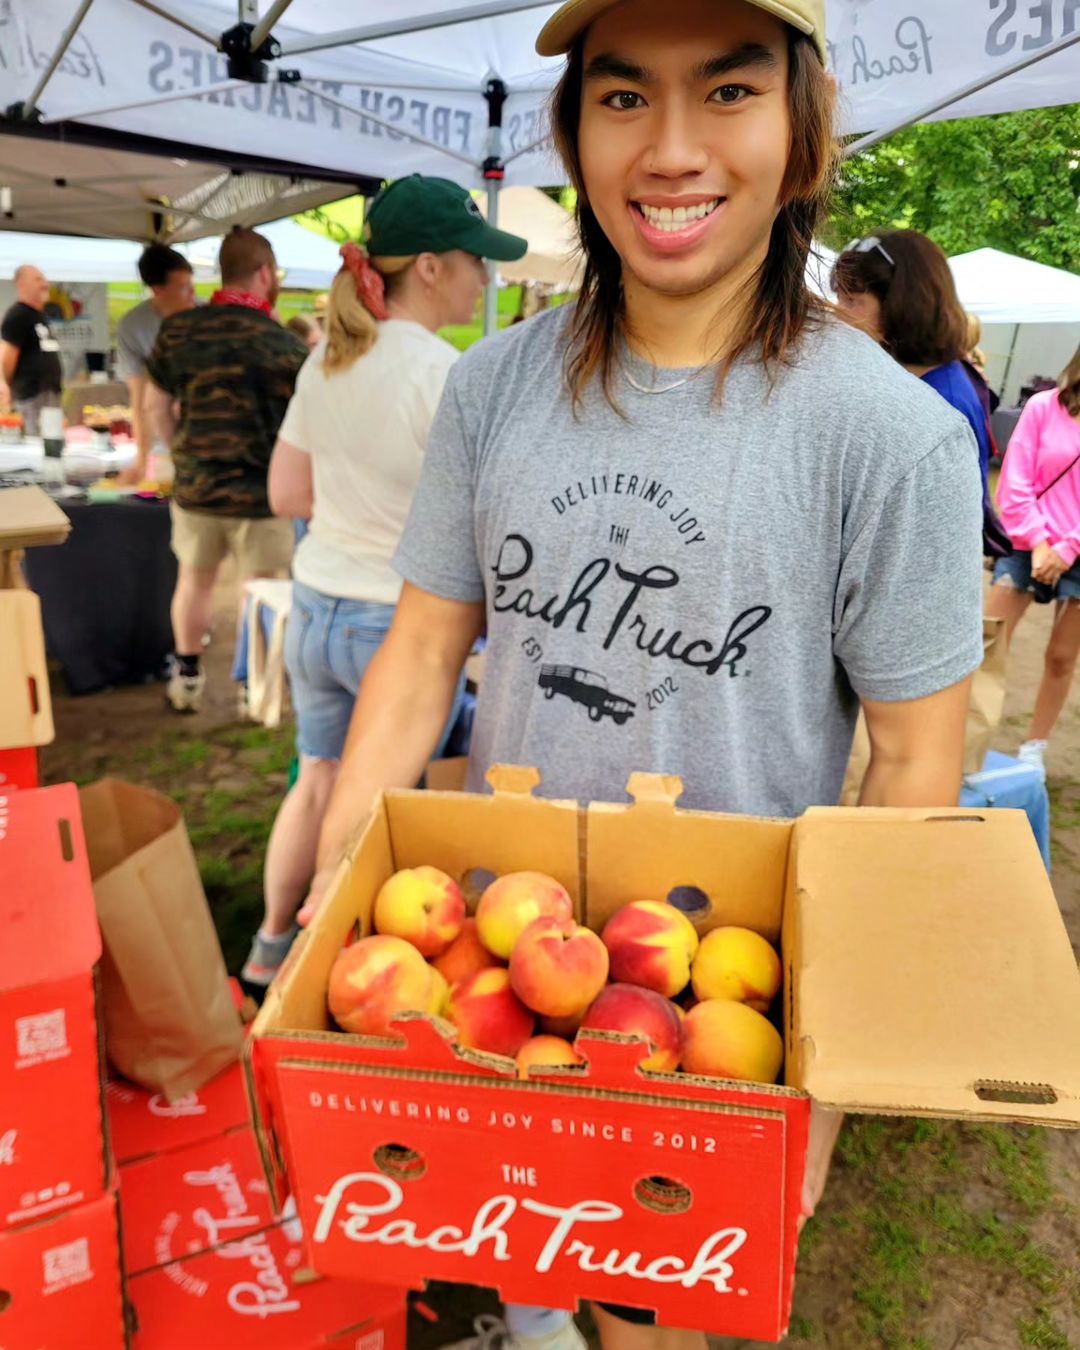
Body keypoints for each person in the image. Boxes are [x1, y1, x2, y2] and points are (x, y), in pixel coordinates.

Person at [308, 3, 983, 1349]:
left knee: (660, 1321)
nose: (671, 149)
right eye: (623, 100)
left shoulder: (890, 434)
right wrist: (341, 907)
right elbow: (427, 645)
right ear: (574, 135)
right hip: (488, 966)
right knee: (511, 1251)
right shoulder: (492, 388)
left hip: (716, 1009)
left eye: (727, 93)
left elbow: (914, 759)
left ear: (801, 136)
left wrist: (823, 1083)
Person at [243, 177, 527, 986]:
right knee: (393, 820)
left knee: (316, 779)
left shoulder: (329, 362)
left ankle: (271, 952)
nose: (485, 279)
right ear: (431, 268)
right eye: (476, 262)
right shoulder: (445, 373)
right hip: (395, 629)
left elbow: (286, 496)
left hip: (316, 611)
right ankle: (355, 971)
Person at [146, 227, 307, 714]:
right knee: (256, 589)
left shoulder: (179, 330)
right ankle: (248, 687)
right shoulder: (282, 343)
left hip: (196, 488)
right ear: (264, 274)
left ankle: (187, 677)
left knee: (193, 582)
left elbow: (156, 406)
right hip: (261, 495)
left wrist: (180, 453)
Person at [832, 230, 996, 539]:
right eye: (838, 297)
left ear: (903, 305)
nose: (837, 315)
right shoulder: (915, 380)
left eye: (852, 301)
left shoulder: (943, 402)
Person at [986, 349, 1080, 774]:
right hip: (1029, 540)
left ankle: (1033, 751)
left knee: (1062, 656)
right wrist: (1041, 543)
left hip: (1077, 550)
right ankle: (963, 727)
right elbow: (1015, 478)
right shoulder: (1045, 406)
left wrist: (1067, 549)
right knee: (987, 641)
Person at [115, 244, 196, 484]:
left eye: (191, 284)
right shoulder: (133, 327)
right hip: (167, 438)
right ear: (157, 289)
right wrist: (141, 460)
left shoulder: (208, 316)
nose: (192, 294)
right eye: (183, 287)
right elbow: (140, 401)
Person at [0, 264, 63, 435]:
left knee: (52, 442)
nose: (45, 284)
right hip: (31, 395)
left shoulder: (39, 315)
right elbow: (6, 356)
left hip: (50, 392)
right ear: (21, 284)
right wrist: (6, 386)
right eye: (38, 279)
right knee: (35, 446)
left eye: (44, 279)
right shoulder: (17, 315)